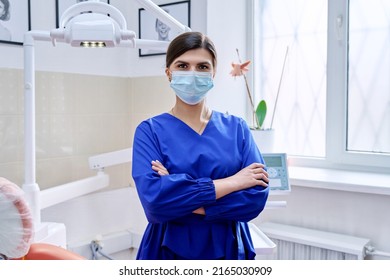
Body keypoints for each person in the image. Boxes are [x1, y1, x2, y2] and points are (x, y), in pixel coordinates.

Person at [132, 31, 269, 260]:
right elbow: (155, 204)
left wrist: (177, 193)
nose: (192, 73)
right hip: (168, 249)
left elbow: (255, 199)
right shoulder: (150, 131)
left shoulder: (237, 129)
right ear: (169, 73)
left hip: (229, 248)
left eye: (202, 67)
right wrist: (233, 182)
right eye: (182, 66)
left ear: (213, 73)